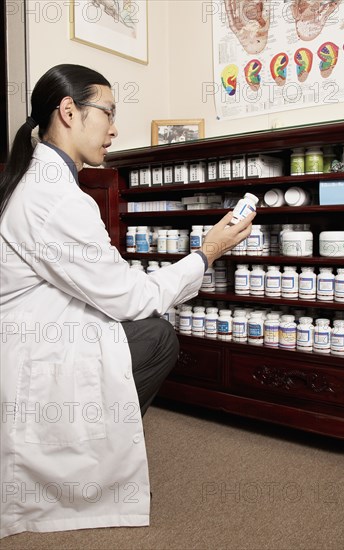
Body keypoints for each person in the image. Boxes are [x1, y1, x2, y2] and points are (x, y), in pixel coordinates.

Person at [0, 64, 255, 538]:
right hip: (28, 346)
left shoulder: (46, 182)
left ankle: (103, 444)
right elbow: (132, 300)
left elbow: (108, 278)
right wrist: (207, 252)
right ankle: (90, 462)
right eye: (109, 113)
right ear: (69, 112)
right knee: (156, 336)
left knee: (138, 333)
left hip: (33, 326)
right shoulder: (54, 197)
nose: (115, 129)